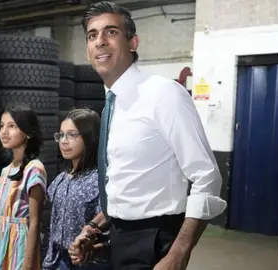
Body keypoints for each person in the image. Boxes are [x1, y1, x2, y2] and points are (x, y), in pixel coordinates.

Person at [69, 2, 228, 270]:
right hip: (119, 236)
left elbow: (207, 178)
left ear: (133, 42)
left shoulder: (163, 94)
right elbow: (128, 185)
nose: (100, 42)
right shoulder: (113, 104)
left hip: (155, 239)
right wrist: (95, 227)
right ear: (87, 50)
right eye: (92, 35)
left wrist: (179, 254)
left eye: (111, 32)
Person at [0, 105, 47, 270]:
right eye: (2, 126)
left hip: (20, 243)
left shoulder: (34, 169)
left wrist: (27, 264)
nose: (4, 132)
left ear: (28, 132)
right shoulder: (6, 171)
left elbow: (35, 222)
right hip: (1, 240)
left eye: (12, 126)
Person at [42, 108, 111, 270]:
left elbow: (108, 224)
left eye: (72, 135)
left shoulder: (101, 179)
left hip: (90, 263)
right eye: (61, 135)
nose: (64, 141)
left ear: (89, 138)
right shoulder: (62, 178)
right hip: (58, 261)